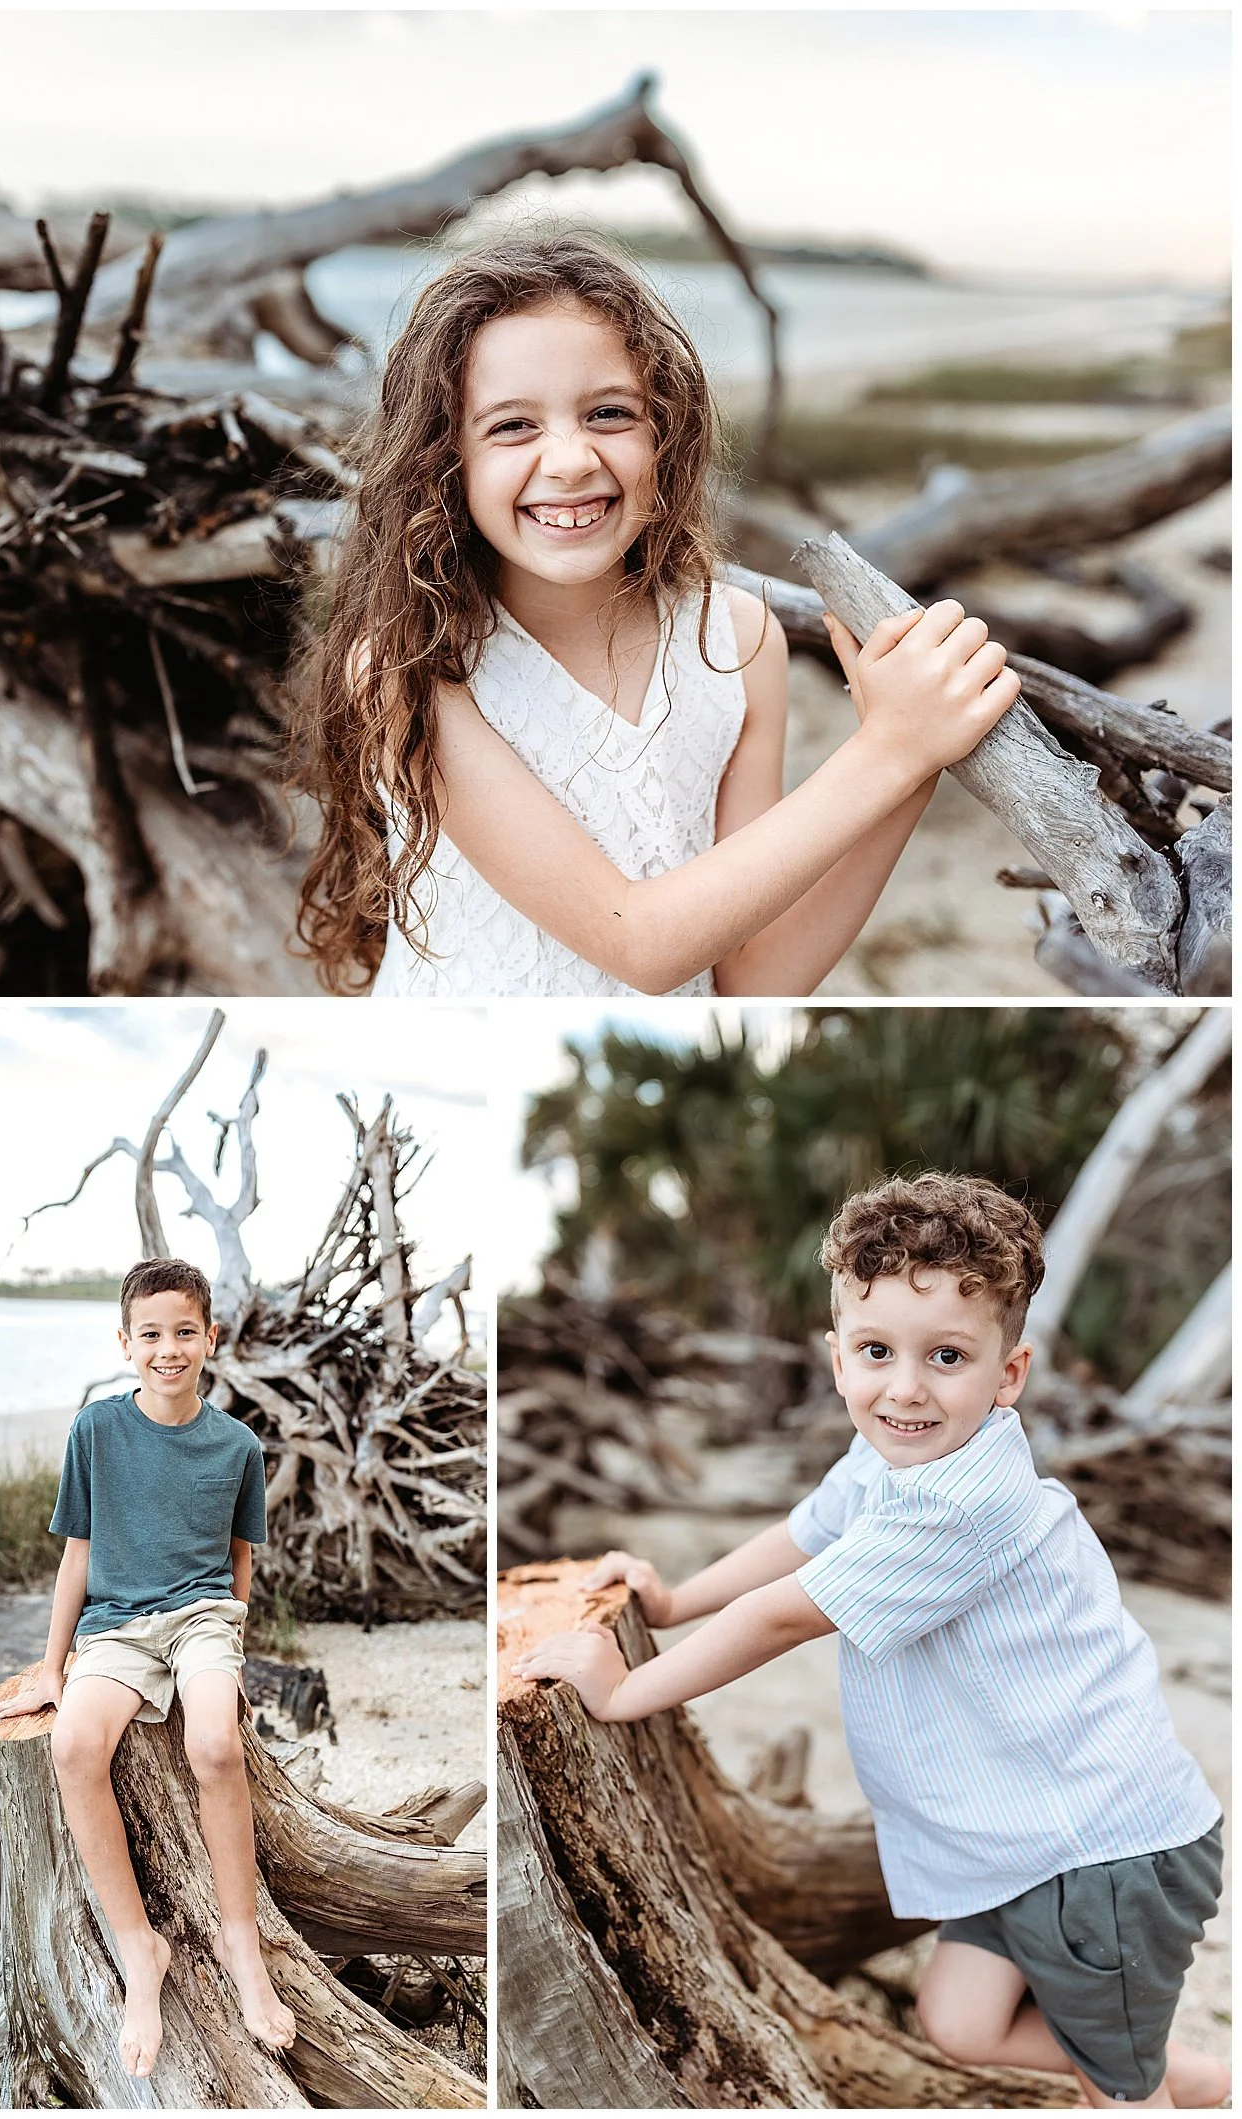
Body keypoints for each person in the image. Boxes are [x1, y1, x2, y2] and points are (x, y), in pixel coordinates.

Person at [513, 1173, 1227, 2109]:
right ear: (837, 1357)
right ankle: (1201, 2075)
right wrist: (679, 1597)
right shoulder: (894, 1454)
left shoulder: (967, 1501)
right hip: (1020, 1843)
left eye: (947, 1356)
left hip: (1102, 1853)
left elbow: (784, 1613)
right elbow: (807, 1531)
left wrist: (620, 1691)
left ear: (1008, 1374)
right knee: (958, 2021)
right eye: (878, 1349)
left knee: (1113, 2093)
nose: (906, 1387)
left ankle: (1145, 2079)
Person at [295, 230, 1021, 997]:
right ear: (447, 461)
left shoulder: (738, 638)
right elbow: (640, 943)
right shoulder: (411, 669)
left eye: (609, 413)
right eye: (512, 425)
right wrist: (889, 751)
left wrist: (912, 763)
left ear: (664, 431)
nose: (571, 460)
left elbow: (754, 980)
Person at [0, 1258, 295, 2079]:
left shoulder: (237, 1445)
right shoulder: (94, 1430)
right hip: (117, 1629)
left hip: (202, 1619)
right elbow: (77, 1556)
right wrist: (55, 1666)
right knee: (73, 1748)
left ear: (211, 1338)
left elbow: (239, 1563)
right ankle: (140, 1947)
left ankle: (242, 1943)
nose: (169, 1349)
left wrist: (227, 1652)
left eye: (185, 1332)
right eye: (151, 1334)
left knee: (216, 1746)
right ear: (125, 1342)